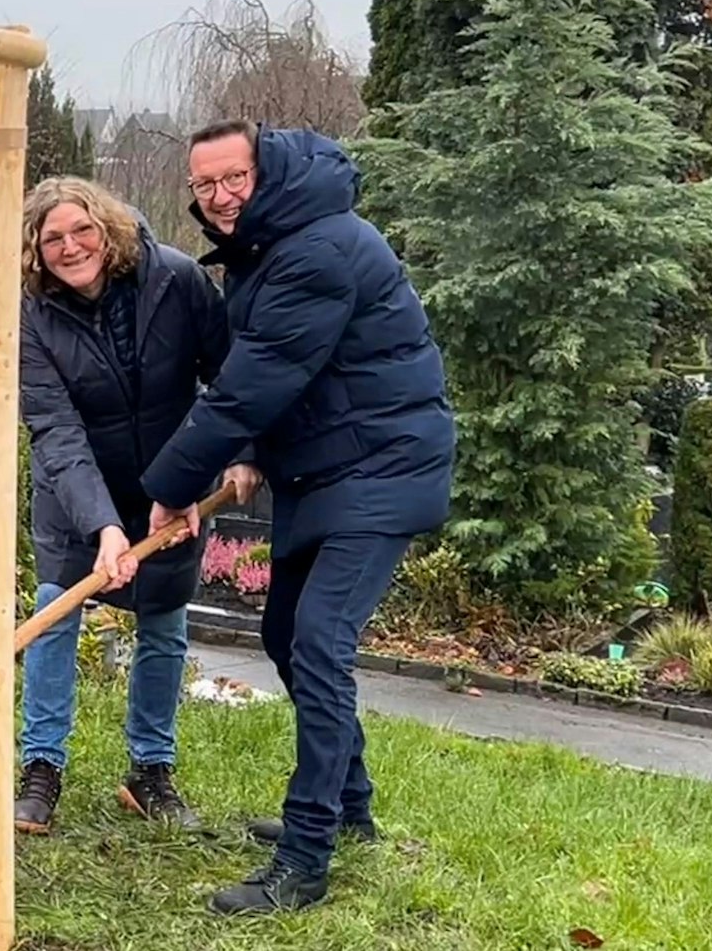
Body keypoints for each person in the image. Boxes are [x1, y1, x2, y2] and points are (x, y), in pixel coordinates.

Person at [141, 121, 455, 915]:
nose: (220, 196)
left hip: (380, 466)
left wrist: (173, 485)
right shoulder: (272, 245)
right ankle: (350, 808)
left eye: (234, 178)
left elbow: (253, 383)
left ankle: (306, 857)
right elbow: (272, 370)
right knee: (285, 634)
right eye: (205, 184)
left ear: (267, 171)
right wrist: (247, 450)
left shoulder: (317, 248)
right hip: (328, 468)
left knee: (318, 643)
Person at [13, 175, 262, 836]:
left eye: (82, 230)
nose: (71, 247)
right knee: (55, 607)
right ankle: (41, 768)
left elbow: (231, 374)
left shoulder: (175, 279)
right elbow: (56, 429)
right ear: (36, 251)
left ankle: (150, 770)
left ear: (107, 228)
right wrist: (101, 525)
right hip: (75, 487)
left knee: (164, 617)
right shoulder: (32, 314)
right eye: (53, 239)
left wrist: (239, 453)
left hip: (173, 481)